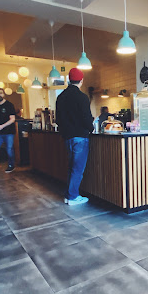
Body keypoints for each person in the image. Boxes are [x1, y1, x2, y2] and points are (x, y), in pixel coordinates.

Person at [55, 68, 94, 205]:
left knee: (72, 167)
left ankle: (69, 195)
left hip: (68, 137)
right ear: (81, 81)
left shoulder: (60, 97)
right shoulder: (82, 97)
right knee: (77, 169)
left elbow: (58, 119)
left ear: (69, 80)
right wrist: (92, 128)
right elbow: (86, 118)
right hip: (80, 137)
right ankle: (73, 197)